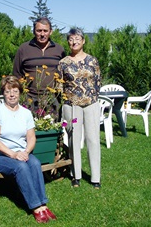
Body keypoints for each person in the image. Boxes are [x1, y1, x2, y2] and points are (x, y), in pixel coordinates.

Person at [0, 75, 57, 224]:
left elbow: (32, 138)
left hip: (22, 152)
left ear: (20, 92)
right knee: (21, 167)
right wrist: (14, 154)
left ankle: (43, 204)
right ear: (3, 93)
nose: (12, 94)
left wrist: (26, 151)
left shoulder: (26, 113)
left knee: (34, 163)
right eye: (8, 91)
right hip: (1, 156)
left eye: (14, 91)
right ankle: (35, 207)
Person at [58, 28, 102, 189]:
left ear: (83, 41)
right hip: (72, 105)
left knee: (93, 139)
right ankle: (75, 175)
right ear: (68, 42)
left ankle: (96, 178)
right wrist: (67, 102)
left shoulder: (92, 61)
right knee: (73, 139)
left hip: (91, 104)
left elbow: (98, 81)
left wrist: (93, 98)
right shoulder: (63, 63)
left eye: (77, 39)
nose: (74, 42)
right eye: (71, 39)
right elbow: (59, 84)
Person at [13, 17, 65, 99]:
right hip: (29, 98)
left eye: (45, 31)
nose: (42, 34)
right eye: (39, 31)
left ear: (50, 32)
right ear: (34, 31)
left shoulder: (59, 49)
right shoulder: (24, 49)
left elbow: (63, 74)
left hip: (52, 99)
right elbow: (16, 74)